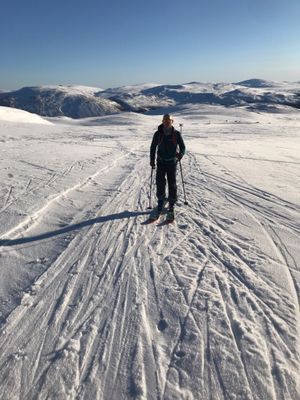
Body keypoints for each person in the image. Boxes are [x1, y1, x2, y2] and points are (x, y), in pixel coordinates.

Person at [150, 114, 186, 216]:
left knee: (172, 183)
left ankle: (172, 203)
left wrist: (181, 154)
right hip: (161, 162)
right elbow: (153, 147)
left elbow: (183, 147)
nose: (166, 122)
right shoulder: (158, 134)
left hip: (172, 162)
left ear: (172, 121)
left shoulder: (176, 134)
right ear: (162, 121)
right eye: (165, 120)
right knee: (160, 182)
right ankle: (161, 200)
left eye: (168, 120)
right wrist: (152, 160)